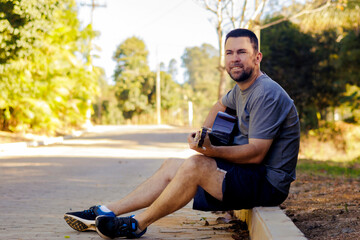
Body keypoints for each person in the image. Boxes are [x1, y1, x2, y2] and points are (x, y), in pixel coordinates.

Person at [64, 28, 300, 239]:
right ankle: (107, 211)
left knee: (195, 165)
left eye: (241, 52)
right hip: (250, 175)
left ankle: (137, 225)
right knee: (171, 166)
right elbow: (219, 105)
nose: (234, 59)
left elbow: (256, 154)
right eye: (229, 53)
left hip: (268, 184)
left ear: (257, 57)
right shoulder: (241, 90)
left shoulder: (266, 93)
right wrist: (204, 135)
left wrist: (211, 151)